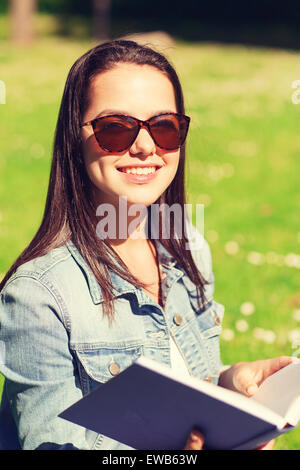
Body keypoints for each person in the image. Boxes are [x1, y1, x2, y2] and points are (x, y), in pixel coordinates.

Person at [0, 40, 292, 450]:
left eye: (164, 127)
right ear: (74, 136)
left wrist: (233, 382)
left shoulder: (186, 247)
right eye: (115, 128)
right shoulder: (38, 295)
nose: (145, 146)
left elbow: (182, 380)